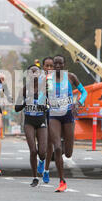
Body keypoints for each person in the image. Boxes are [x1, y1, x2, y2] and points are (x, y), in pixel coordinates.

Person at [47, 55, 87, 192]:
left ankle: (65, 148)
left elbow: (84, 92)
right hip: (54, 116)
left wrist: (78, 103)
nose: (57, 66)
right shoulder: (49, 79)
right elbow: (43, 95)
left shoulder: (71, 77)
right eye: (55, 64)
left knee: (68, 153)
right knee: (57, 148)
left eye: (60, 63)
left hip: (68, 116)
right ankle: (61, 181)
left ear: (64, 64)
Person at [15, 64, 48, 187]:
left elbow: (50, 105)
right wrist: (25, 101)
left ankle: (42, 161)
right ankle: (35, 177)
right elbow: (16, 108)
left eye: (36, 71)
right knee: (33, 150)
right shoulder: (24, 89)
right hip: (29, 122)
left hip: (41, 121)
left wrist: (45, 106)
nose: (34, 73)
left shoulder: (45, 89)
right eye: (31, 72)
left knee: (42, 152)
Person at [41, 56, 55, 184]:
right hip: (39, 112)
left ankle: (46, 170)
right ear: (43, 67)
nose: (49, 68)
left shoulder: (58, 80)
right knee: (42, 142)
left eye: (51, 66)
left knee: (50, 142)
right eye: (47, 66)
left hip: (53, 112)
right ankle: (41, 158)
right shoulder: (38, 79)